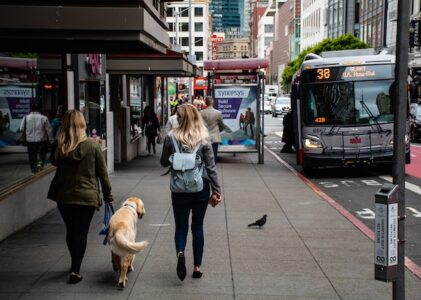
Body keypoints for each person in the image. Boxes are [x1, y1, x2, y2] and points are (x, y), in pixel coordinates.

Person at [48, 110, 113, 284]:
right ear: (83, 124)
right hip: (86, 196)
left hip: (64, 196)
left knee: (71, 230)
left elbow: (52, 161)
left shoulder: (60, 146)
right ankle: (75, 270)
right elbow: (102, 174)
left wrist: (60, 141)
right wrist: (108, 194)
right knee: (80, 232)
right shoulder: (92, 146)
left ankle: (73, 263)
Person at [160, 104, 222, 281]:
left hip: (179, 189)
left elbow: (163, 162)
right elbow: (211, 168)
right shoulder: (204, 139)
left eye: (178, 116)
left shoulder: (171, 137)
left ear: (180, 119)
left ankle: (180, 252)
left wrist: (175, 159)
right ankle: (197, 267)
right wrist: (217, 190)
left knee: (180, 227)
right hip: (200, 188)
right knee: (197, 227)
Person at [20, 102, 53, 173]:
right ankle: (40, 165)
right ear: (40, 109)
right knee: (41, 154)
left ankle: (33, 169)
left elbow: (21, 129)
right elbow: (49, 130)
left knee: (32, 155)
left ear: (31, 109)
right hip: (42, 141)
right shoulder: (44, 118)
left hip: (30, 141)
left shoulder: (26, 117)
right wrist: (51, 140)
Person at [200, 96, 224, 161]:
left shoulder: (201, 113)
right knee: (214, 154)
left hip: (204, 137)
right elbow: (221, 125)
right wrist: (219, 130)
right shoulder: (218, 113)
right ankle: (213, 168)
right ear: (212, 102)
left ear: (205, 102)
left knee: (205, 154)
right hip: (215, 137)